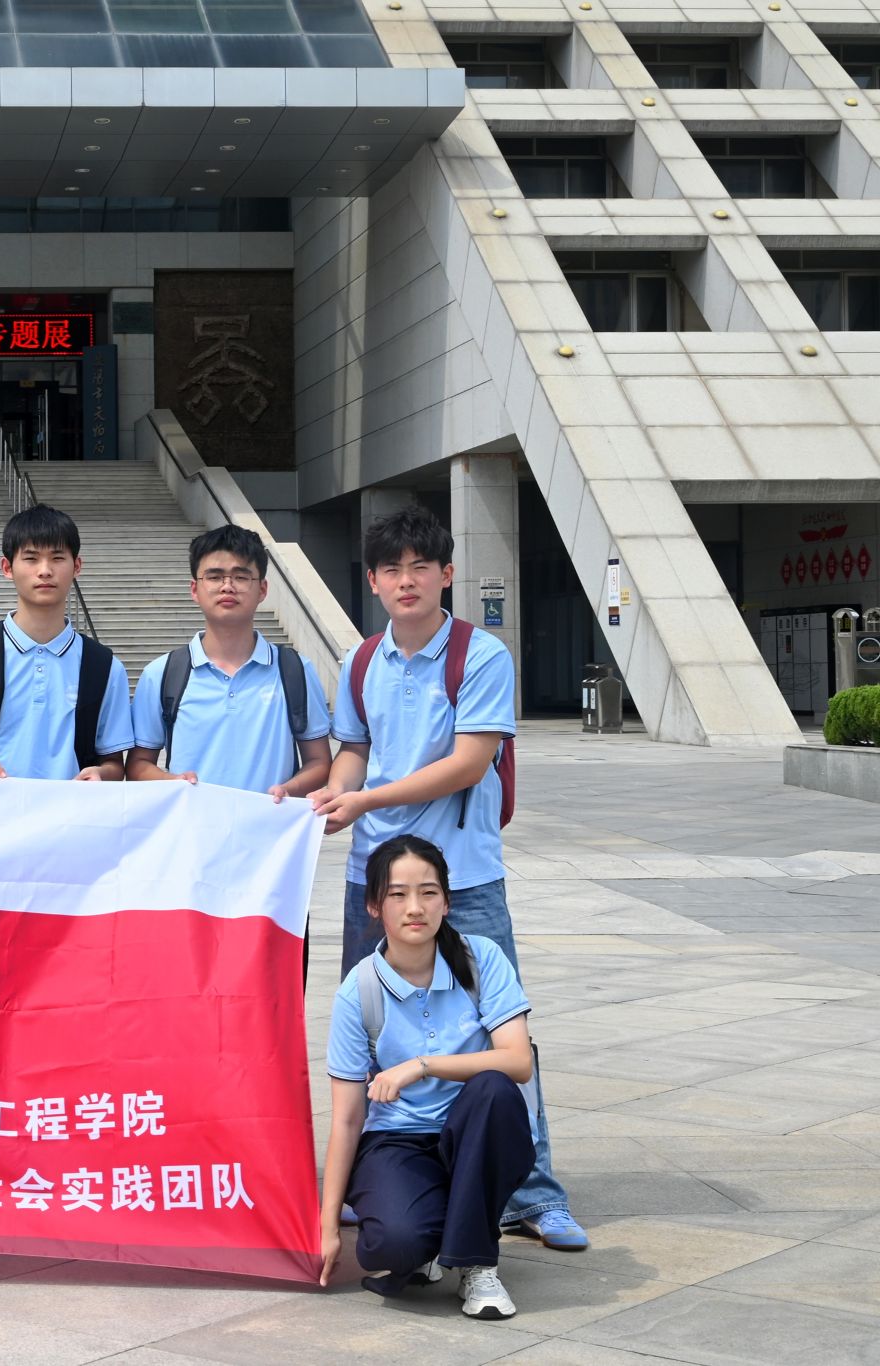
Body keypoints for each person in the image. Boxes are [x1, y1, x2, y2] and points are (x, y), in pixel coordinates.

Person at [310, 502, 586, 1251]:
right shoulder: (362, 661)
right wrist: (336, 793)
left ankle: (534, 1195)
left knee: (502, 1030)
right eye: (391, 569)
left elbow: (469, 762)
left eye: (420, 567)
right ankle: (372, 1179)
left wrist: (365, 800)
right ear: (372, 580)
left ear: (447, 574)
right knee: (371, 1027)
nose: (406, 581)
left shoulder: (481, 655)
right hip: (374, 876)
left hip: (462, 877)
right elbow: (354, 751)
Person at [320, 835, 535, 1321]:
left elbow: (518, 1061)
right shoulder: (359, 990)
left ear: (447, 901)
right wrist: (327, 1224)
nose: (415, 908)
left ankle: (478, 1263)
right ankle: (438, 1234)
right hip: (397, 1140)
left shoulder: (481, 958)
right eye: (397, 894)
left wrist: (423, 1064)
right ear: (374, 905)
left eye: (428, 892)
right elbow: (348, 1120)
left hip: (476, 1134)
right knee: (393, 1245)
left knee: (494, 1088)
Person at [128, 523, 332, 798]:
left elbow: (319, 761)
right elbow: (138, 764)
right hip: (191, 824)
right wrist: (172, 782)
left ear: (262, 589)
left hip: (269, 822)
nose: (227, 586)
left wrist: (289, 789)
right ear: (194, 589)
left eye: (241, 576)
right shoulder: (162, 674)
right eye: (214, 576)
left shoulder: (295, 670)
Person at [0, 504, 132, 781]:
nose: (45, 570)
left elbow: (113, 762)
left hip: (71, 807)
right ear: (7, 567)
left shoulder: (104, 666)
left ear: (77, 566)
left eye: (57, 558)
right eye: (31, 558)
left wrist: (101, 773)